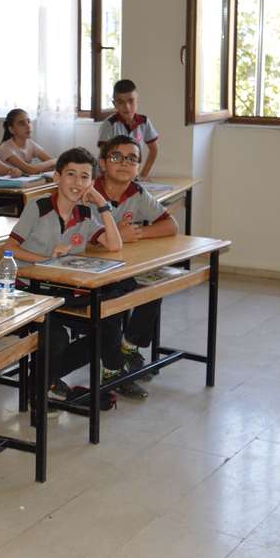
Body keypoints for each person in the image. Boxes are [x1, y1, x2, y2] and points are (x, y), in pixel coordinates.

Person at [7, 148, 123, 405]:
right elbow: (10, 248)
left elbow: (115, 245)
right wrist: (47, 259)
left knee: (107, 329)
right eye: (71, 174)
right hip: (28, 290)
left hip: (62, 291)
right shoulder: (38, 207)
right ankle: (41, 388)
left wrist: (101, 203)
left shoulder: (85, 213)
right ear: (57, 177)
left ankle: (43, 378)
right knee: (57, 336)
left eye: (85, 177)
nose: (77, 182)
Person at [90, 136, 179, 399]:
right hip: (91, 270)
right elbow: (74, 236)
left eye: (132, 159)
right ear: (103, 163)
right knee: (111, 302)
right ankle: (113, 371)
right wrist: (116, 235)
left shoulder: (136, 192)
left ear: (138, 167)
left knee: (153, 285)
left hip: (122, 266)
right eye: (117, 157)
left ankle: (128, 346)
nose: (125, 163)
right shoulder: (89, 191)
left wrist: (138, 233)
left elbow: (171, 225)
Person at [97, 79, 160, 178]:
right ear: (114, 104)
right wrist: (109, 179)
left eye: (131, 101)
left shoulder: (144, 122)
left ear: (137, 100)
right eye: (121, 102)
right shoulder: (109, 124)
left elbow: (154, 149)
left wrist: (143, 175)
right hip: (111, 176)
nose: (127, 106)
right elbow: (103, 156)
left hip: (132, 175)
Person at [0, 109, 57, 174]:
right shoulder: (6, 147)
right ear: (12, 129)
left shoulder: (30, 143)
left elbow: (54, 166)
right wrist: (53, 161)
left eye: (28, 121)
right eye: (22, 124)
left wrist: (52, 163)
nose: (28, 126)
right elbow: (29, 170)